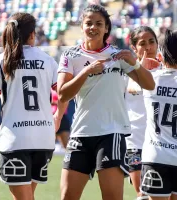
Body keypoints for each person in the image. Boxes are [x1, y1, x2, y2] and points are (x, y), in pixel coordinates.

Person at [57, 4, 155, 200]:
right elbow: (62, 94)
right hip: (80, 134)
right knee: (67, 196)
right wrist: (86, 72)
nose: (93, 27)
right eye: (89, 23)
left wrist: (134, 62)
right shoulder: (70, 56)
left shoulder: (118, 55)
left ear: (106, 28)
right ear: (82, 26)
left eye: (99, 23)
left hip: (112, 134)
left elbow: (149, 84)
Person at [0, 13, 59, 200]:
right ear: (32, 34)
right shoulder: (48, 60)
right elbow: (62, 94)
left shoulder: (1, 61)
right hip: (44, 138)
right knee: (27, 196)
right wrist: (58, 117)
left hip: (15, 137)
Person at [140, 29, 177, 200]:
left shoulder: (149, 79)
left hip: (155, 155)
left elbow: (130, 87)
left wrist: (142, 69)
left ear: (160, 57)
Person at [125, 26, 160, 200]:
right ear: (134, 47)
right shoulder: (127, 72)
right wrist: (142, 68)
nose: (148, 47)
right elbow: (132, 89)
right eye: (142, 43)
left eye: (151, 42)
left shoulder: (165, 70)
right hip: (136, 142)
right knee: (143, 195)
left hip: (162, 144)